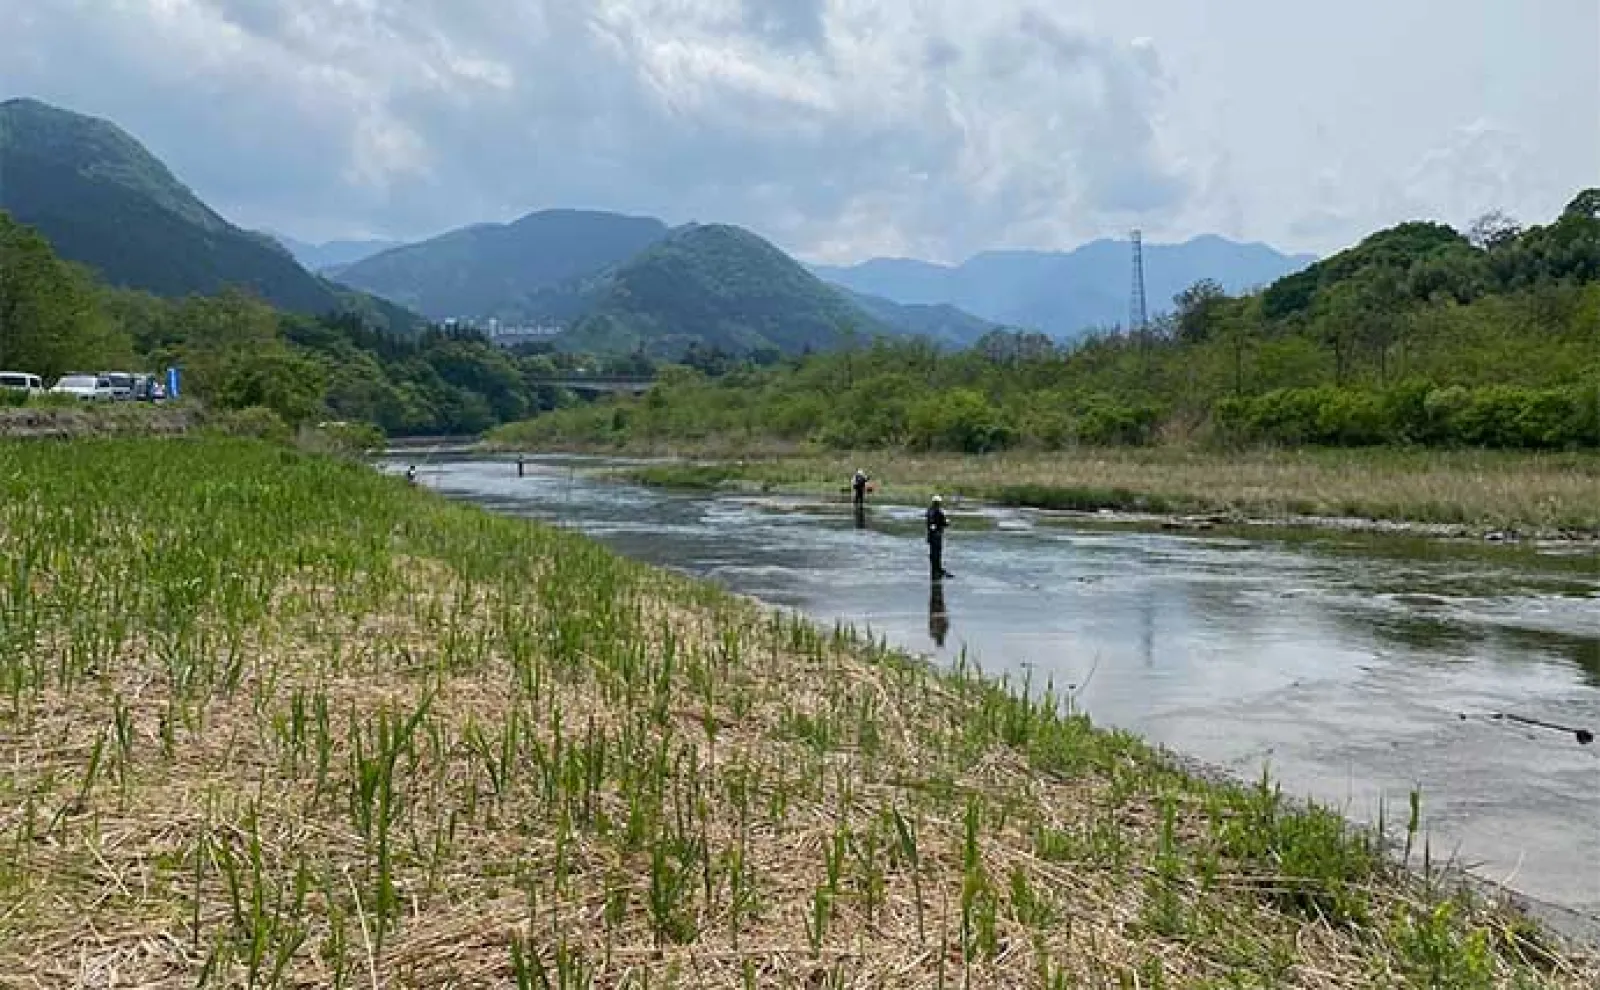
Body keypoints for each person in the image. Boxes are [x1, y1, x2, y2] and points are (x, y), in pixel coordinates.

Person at [925, 494, 951, 580]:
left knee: (933, 553)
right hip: (937, 535)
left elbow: (929, 522)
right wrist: (947, 521)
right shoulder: (940, 512)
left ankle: (935, 570)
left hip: (930, 535)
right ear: (939, 503)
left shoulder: (929, 511)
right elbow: (945, 524)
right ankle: (938, 570)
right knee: (937, 553)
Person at [928, 581, 949, 647]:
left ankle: (936, 583)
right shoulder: (934, 633)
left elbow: (946, 624)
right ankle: (936, 584)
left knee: (937, 595)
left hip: (936, 612)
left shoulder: (937, 633)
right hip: (936, 612)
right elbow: (946, 624)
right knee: (937, 595)